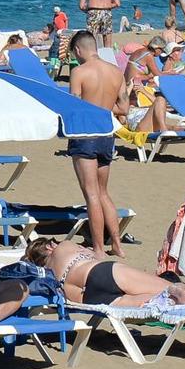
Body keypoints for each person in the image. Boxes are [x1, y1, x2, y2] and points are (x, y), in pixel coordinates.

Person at [23, 234, 185, 311]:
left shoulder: (49, 275)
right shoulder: (63, 246)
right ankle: (176, 290)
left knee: (154, 300)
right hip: (99, 273)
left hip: (90, 299)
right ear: (49, 246)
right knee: (167, 287)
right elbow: (95, 256)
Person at [63, 31, 123, 256]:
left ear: (78, 50)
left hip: (85, 135)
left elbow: (74, 107)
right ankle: (117, 244)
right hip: (107, 134)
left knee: (91, 194)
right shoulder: (116, 72)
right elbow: (124, 108)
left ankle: (98, 247)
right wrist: (102, 106)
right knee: (104, 192)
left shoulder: (79, 71)